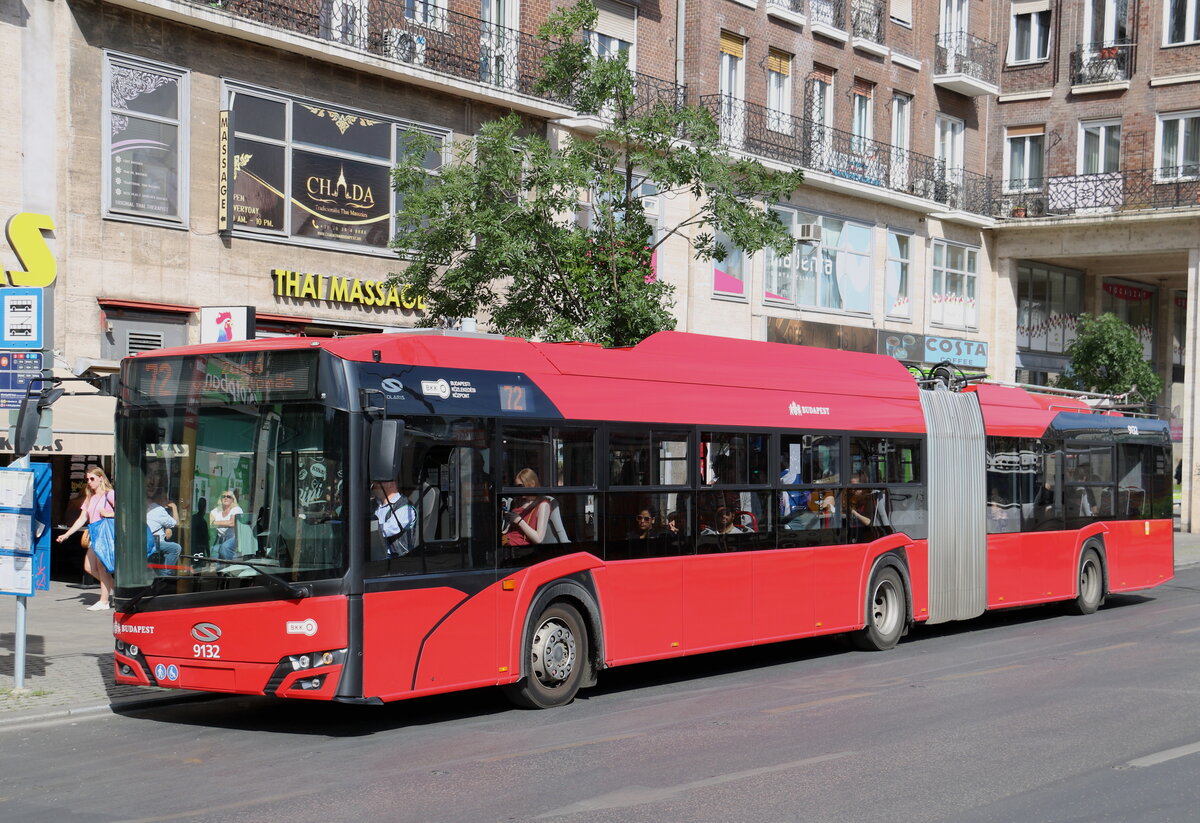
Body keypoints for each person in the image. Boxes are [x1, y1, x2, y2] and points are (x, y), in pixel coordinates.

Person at [56, 465, 116, 611]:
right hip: (94, 534)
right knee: (89, 567)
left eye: (92, 479)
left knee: (101, 568)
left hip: (105, 534)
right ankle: (117, 590)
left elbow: (125, 511)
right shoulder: (90, 497)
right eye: (87, 479)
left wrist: (109, 514)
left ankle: (104, 601)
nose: (89, 482)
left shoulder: (109, 494)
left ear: (101, 478)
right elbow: (82, 518)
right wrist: (67, 534)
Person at [501, 468, 551, 550]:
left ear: (532, 484)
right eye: (517, 487)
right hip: (506, 541)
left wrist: (519, 521)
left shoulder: (543, 505)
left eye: (521, 486)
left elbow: (539, 539)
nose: (518, 490)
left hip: (520, 549)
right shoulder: (519, 501)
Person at [372, 480, 416, 557]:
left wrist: (363, 530)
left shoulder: (405, 508)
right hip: (375, 552)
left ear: (392, 484)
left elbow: (390, 528)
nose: (374, 485)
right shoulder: (374, 504)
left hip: (397, 558)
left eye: (379, 482)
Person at [145, 493, 182, 575]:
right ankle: (166, 573)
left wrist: (167, 528)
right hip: (154, 542)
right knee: (176, 548)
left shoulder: (149, 508)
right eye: (165, 499)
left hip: (148, 541)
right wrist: (174, 507)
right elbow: (176, 523)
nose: (167, 502)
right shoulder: (158, 509)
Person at [209, 490, 243, 560]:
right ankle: (220, 566)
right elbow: (211, 524)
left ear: (232, 499)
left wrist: (216, 522)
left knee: (225, 547)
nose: (226, 498)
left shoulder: (236, 509)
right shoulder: (215, 511)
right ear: (220, 499)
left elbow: (232, 523)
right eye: (223, 496)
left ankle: (228, 565)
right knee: (212, 550)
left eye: (228, 496)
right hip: (222, 539)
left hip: (235, 538)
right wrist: (227, 522)